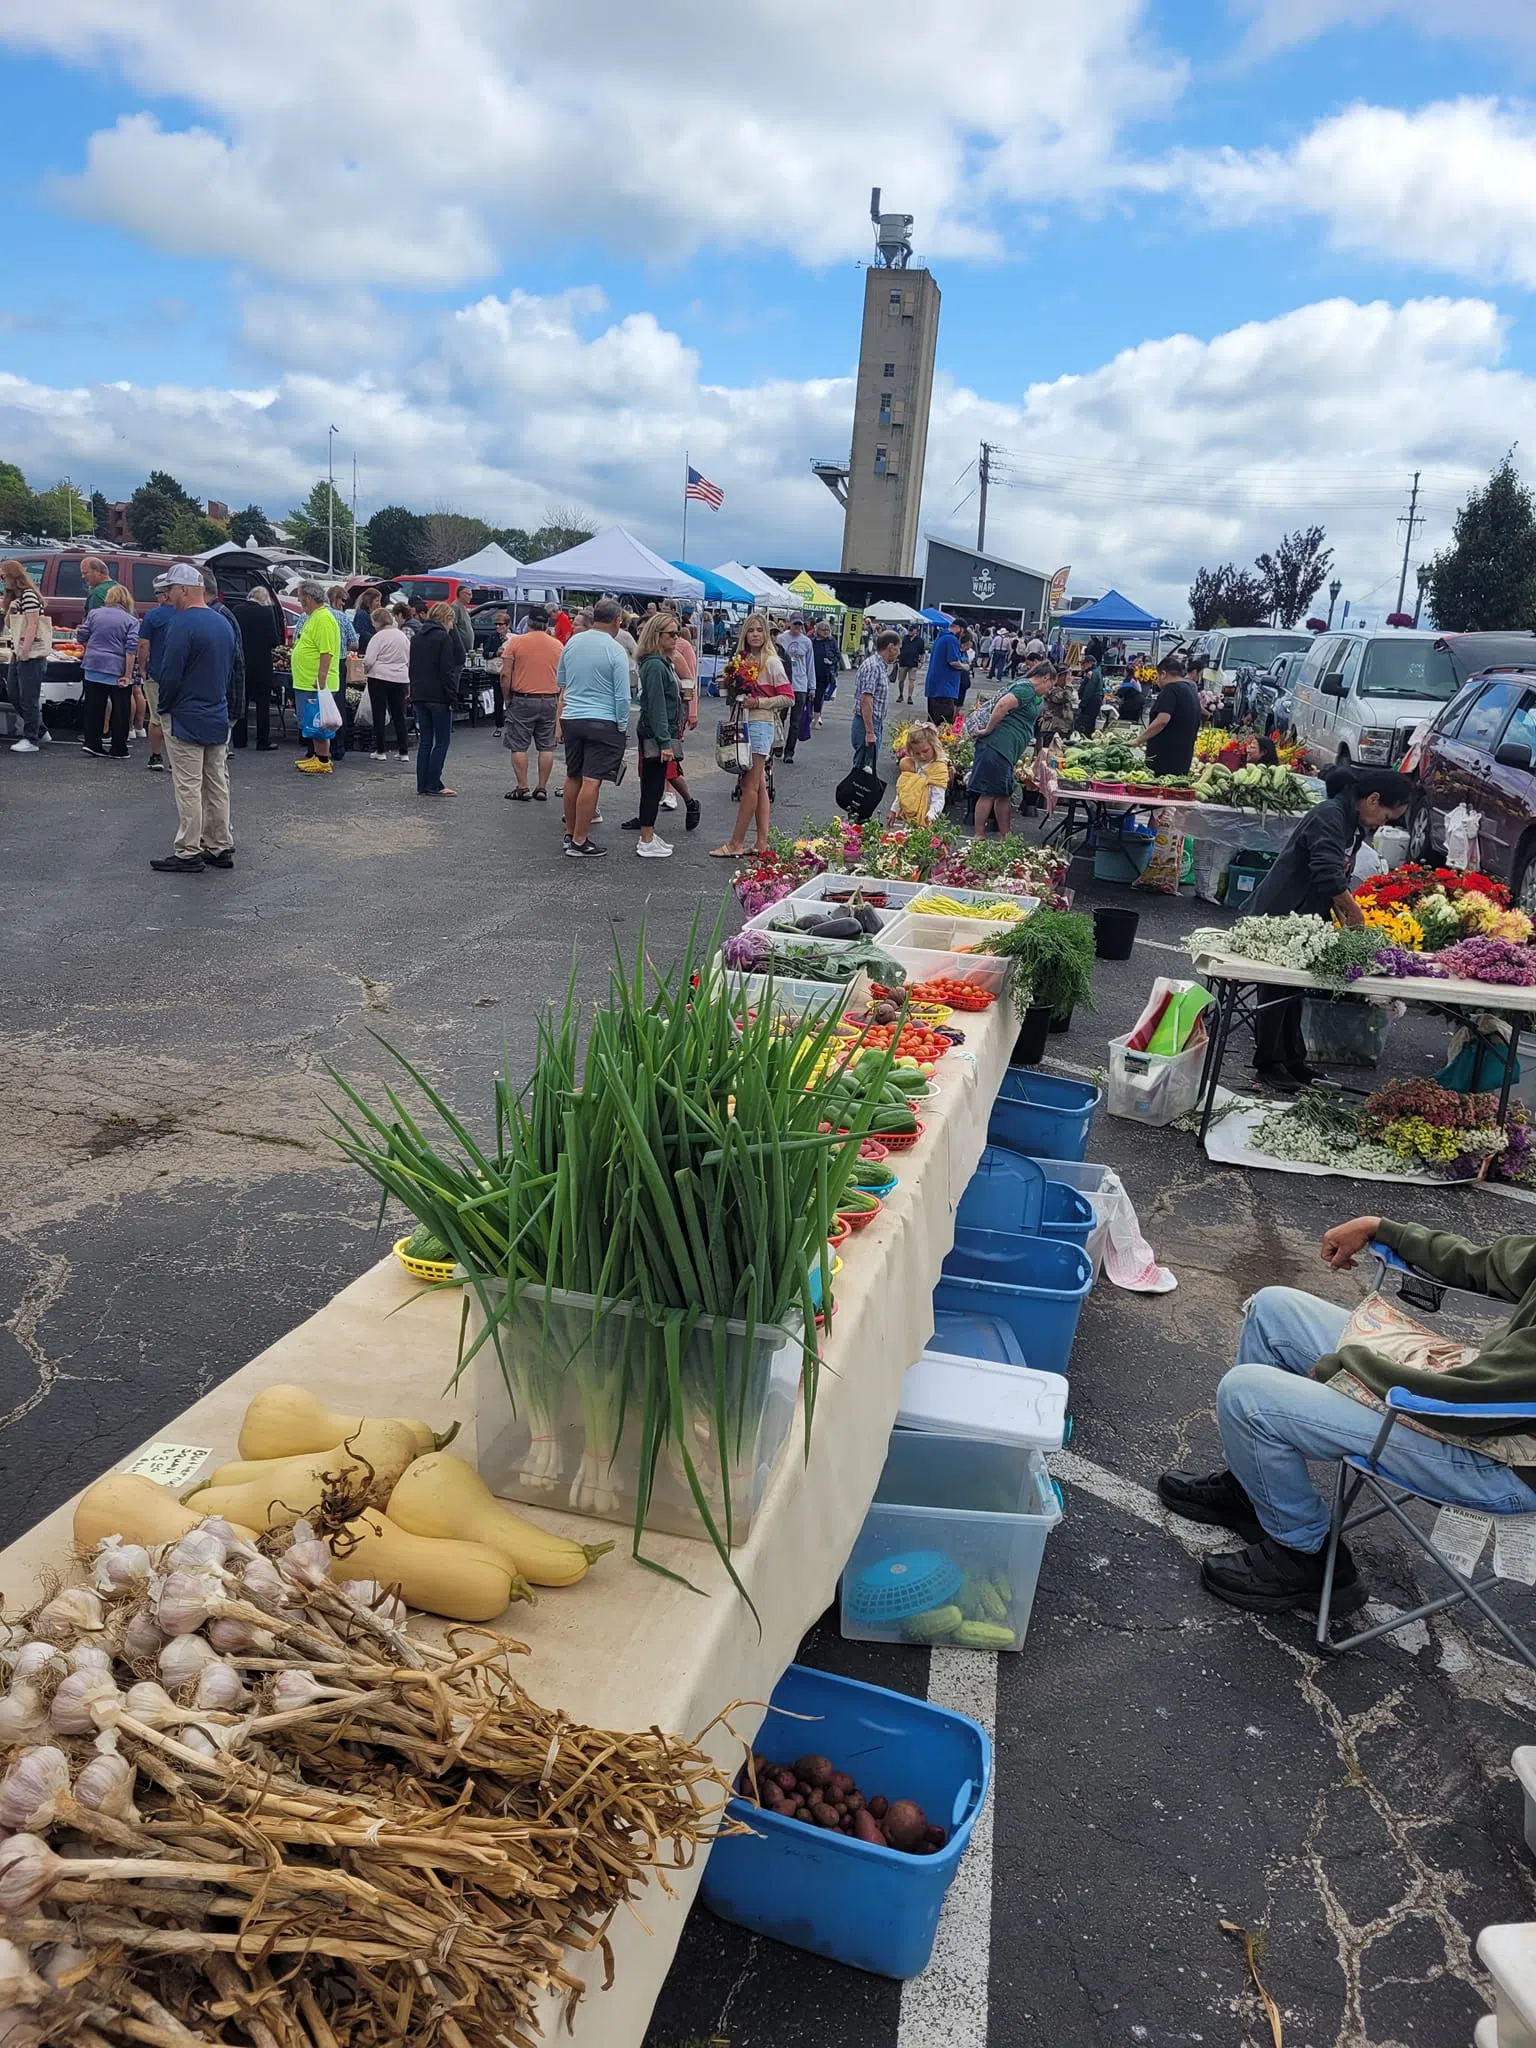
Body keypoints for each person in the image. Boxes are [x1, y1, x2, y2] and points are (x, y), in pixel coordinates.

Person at [1158, 1213, 1536, 1617]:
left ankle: (1306, 1557)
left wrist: (1347, 1367)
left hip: (1498, 1457)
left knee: (1246, 1397)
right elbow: (1490, 1263)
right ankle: (1253, 1494)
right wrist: (1382, 1229)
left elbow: (1469, 1401)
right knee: (1274, 1309)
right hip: (1477, 1391)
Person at [1242, 766, 1412, 1092]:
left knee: (1296, 992)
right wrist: (1355, 914)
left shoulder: (1353, 823)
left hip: (1307, 914)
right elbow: (1327, 872)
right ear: (1373, 799)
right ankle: (1268, 1064)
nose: (1384, 824)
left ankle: (1292, 1060)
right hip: (1281, 912)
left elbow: (1340, 874)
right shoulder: (1330, 816)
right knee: (1278, 990)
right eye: (1387, 816)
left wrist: (1340, 912)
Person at [150, 562, 236, 874]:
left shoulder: (182, 624)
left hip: (186, 713)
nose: (168, 595)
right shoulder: (223, 622)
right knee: (216, 781)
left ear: (184, 590)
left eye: (171, 589)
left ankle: (188, 850)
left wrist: (164, 706)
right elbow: (229, 668)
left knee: (188, 784)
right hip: (216, 711)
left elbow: (171, 672)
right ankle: (219, 843)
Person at [556, 596, 631, 857]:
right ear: (616, 620)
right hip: (603, 720)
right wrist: (622, 724)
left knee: (572, 775)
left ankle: (570, 834)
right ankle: (580, 840)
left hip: (572, 717)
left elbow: (561, 680)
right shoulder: (615, 649)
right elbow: (623, 695)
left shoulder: (573, 642)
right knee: (592, 780)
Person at [711, 614, 791, 859]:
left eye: (759, 630)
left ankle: (736, 842)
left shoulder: (772, 662)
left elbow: (788, 697)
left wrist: (760, 702)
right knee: (759, 786)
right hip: (741, 722)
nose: (755, 634)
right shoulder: (740, 660)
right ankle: (761, 842)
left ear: (766, 634)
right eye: (751, 630)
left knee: (749, 785)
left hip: (760, 725)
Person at [631, 611, 686, 858]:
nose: (676, 638)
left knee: (654, 784)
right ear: (657, 636)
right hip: (656, 734)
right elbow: (656, 706)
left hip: (658, 732)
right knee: (653, 785)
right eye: (671, 634)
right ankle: (646, 837)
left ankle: (649, 833)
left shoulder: (660, 663)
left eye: (677, 632)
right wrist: (665, 742)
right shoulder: (655, 665)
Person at [501, 605, 561, 802]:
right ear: (546, 624)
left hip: (523, 699)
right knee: (546, 746)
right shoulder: (557, 645)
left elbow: (505, 674)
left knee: (518, 745)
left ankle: (522, 786)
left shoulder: (516, 643)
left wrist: (507, 696)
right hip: (550, 699)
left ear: (528, 622)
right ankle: (542, 787)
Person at [969, 674, 1040, 840]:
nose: (1048, 690)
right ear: (1046, 678)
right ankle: (980, 835)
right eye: (1050, 685)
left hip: (1004, 750)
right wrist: (987, 730)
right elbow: (1002, 706)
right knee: (989, 793)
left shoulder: (1031, 692)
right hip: (997, 747)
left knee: (1003, 793)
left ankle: (1005, 836)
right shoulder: (1026, 689)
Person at [77, 583, 140, 759]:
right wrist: (127, 675)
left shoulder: (94, 614)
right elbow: (131, 649)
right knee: (121, 710)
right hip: (116, 669)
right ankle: (118, 748)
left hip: (93, 665)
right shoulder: (131, 621)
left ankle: (92, 743)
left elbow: (82, 634)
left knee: (93, 707)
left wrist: (89, 647)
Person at [290, 581, 342, 775]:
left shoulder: (324, 619)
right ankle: (316, 755)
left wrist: (321, 677)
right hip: (305, 681)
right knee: (310, 721)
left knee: (317, 722)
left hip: (315, 682)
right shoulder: (313, 617)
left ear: (309, 598)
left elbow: (326, 651)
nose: (299, 601)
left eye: (301, 598)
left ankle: (322, 760)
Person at [410, 603, 459, 797]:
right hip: (438, 696)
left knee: (425, 742)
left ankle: (422, 783)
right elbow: (447, 671)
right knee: (442, 741)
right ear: (446, 619)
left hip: (419, 694)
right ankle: (434, 783)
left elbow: (412, 666)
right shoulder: (443, 638)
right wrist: (452, 697)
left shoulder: (416, 638)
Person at [3, 559, 50, 753]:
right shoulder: (17, 598)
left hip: (30, 654)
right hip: (17, 652)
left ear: (14, 576)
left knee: (28, 697)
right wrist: (11, 609)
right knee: (14, 693)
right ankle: (39, 730)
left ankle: (31, 738)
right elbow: (8, 624)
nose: (2, 580)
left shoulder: (30, 596)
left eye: (4, 576)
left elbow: (32, 624)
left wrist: (25, 650)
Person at [228, 585, 282, 750]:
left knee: (241, 702)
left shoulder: (237, 610)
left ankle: (239, 740)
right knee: (263, 704)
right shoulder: (266, 613)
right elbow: (274, 640)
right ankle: (262, 740)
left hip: (241, 663)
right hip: (261, 665)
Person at [135, 586, 178, 771]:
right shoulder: (183, 614)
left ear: (164, 595)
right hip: (179, 674)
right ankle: (174, 759)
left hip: (157, 672)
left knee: (156, 717)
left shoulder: (153, 616)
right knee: (176, 717)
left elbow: (144, 644)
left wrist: (142, 667)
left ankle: (155, 756)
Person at [363, 606, 412, 761]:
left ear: (377, 622)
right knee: (399, 714)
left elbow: (369, 660)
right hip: (400, 678)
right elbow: (409, 659)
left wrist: (366, 670)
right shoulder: (403, 636)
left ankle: (380, 750)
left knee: (379, 713)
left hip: (379, 677)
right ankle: (403, 751)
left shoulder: (378, 637)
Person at [667, 613, 702, 825]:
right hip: (651, 715)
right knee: (647, 767)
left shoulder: (681, 650)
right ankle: (646, 812)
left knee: (668, 762)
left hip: (673, 715)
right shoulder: (650, 650)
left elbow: (690, 681)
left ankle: (686, 800)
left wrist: (692, 711)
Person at [852, 629, 899, 768]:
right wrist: (870, 732)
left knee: (866, 767)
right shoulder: (873, 667)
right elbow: (866, 700)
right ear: (890, 648)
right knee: (863, 770)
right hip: (867, 723)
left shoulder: (880, 666)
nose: (899, 653)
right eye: (898, 649)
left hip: (873, 722)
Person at [888, 721, 949, 826]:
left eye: (925, 751)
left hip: (928, 816)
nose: (921, 756)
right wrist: (894, 809)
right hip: (910, 813)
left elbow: (938, 798)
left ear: (934, 745)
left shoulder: (939, 768)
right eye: (917, 753)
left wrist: (931, 816)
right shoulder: (913, 764)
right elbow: (905, 789)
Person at [325, 585, 358, 762]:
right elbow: (354, 643)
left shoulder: (310, 616)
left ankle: (314, 747)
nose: (344, 604)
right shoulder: (342, 617)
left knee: (317, 704)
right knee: (337, 704)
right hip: (338, 662)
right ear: (336, 599)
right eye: (343, 600)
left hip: (316, 663)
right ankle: (338, 747)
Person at [778, 614, 815, 763]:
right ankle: (778, 745)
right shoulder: (781, 639)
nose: (797, 627)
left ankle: (789, 751)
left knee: (795, 721)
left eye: (800, 625)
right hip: (784, 683)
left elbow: (810, 665)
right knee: (780, 718)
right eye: (795, 624)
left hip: (800, 685)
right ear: (789, 624)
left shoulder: (806, 642)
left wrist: (812, 686)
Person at [924, 619, 967, 725]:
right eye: (963, 631)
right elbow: (953, 662)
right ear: (958, 628)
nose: (962, 635)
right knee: (944, 725)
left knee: (933, 722)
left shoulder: (941, 637)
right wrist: (965, 666)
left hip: (935, 687)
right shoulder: (951, 639)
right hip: (945, 688)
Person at [812, 620, 840, 723]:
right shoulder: (812, 641)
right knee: (811, 695)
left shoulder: (832, 641)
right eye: (823, 630)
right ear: (818, 630)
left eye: (828, 630)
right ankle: (810, 713)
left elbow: (838, 655)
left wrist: (831, 661)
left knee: (819, 695)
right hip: (812, 672)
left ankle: (817, 716)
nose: (826, 632)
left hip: (825, 673)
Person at [1074, 659, 1105, 738]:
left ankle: (1084, 738)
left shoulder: (1092, 673)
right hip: (1097, 699)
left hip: (1092, 701)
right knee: (1091, 723)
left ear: (1089, 663)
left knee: (1086, 723)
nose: (1082, 667)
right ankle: (1089, 737)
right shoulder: (1097, 671)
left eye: (1083, 664)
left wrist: (1083, 703)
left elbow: (1089, 690)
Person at [896, 625, 924, 705]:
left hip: (913, 663)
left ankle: (909, 696)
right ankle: (901, 695)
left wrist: (921, 662)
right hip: (903, 662)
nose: (910, 632)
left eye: (912, 630)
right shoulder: (904, 638)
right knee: (901, 680)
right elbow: (899, 649)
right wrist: (897, 659)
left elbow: (922, 653)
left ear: (916, 631)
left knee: (911, 681)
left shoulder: (920, 641)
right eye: (909, 630)